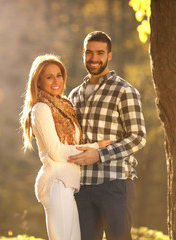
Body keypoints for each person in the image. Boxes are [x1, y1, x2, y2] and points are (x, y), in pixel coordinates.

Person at [20, 54, 110, 240]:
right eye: (49, 76)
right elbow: (56, 151)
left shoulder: (65, 107)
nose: (56, 81)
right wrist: (95, 147)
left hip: (68, 184)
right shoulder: (41, 109)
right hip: (56, 183)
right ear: (38, 81)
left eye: (59, 75)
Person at [67, 31, 147, 240]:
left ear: (109, 56)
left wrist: (100, 154)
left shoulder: (124, 91)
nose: (94, 59)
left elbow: (137, 137)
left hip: (115, 183)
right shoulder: (74, 95)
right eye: (89, 53)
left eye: (100, 53)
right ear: (83, 54)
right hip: (81, 186)